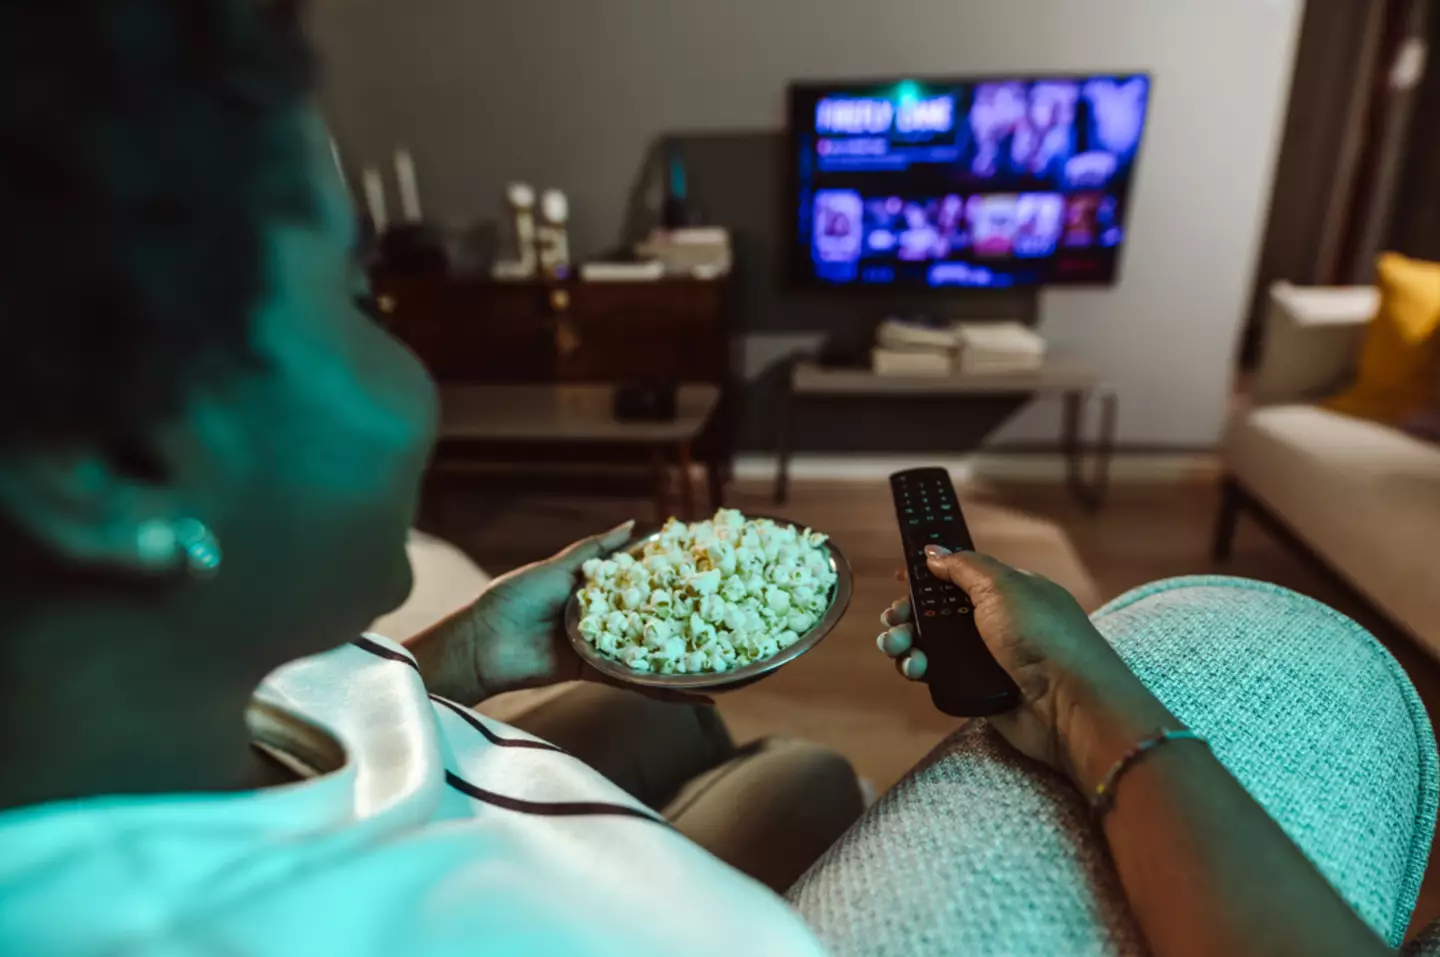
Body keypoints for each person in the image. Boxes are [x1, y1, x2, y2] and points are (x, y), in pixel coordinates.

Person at [0, 3, 1419, 956]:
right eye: (355, 307)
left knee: (784, 762)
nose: (415, 383)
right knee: (1256, 641)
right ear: (110, 467)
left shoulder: (133, 726)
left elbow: (287, 731)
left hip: (498, 781)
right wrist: (1102, 705)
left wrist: (461, 654)